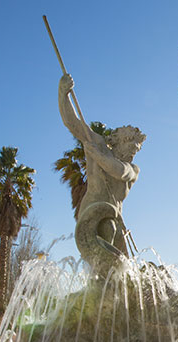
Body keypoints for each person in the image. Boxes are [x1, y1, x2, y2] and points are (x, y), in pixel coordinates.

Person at [59, 73, 146, 266]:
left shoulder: (133, 169)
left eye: (136, 148)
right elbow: (72, 123)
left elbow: (119, 171)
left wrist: (97, 156)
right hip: (93, 212)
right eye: (129, 143)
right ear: (115, 141)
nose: (133, 150)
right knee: (107, 236)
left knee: (124, 269)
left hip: (116, 218)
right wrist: (63, 94)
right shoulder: (96, 142)